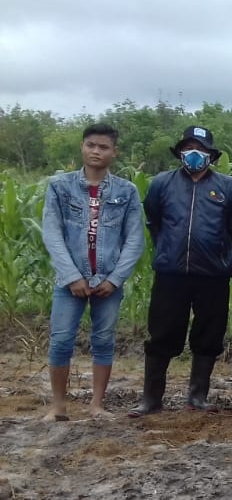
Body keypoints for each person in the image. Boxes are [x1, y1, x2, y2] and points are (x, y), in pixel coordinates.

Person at [132, 126, 232, 417]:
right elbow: (154, 221)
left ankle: (197, 397)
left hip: (213, 275)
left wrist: (214, 249)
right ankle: (151, 399)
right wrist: (168, 249)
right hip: (171, 273)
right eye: (189, 148)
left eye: (201, 149)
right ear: (180, 152)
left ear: (211, 155)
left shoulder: (228, 187)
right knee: (162, 334)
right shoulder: (161, 183)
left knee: (209, 335)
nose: (194, 154)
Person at [41, 123, 145, 420]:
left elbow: (135, 239)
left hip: (108, 281)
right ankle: (58, 406)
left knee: (103, 340)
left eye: (103, 147)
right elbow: (52, 233)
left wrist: (115, 279)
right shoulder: (60, 187)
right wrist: (72, 276)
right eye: (91, 145)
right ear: (82, 147)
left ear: (114, 152)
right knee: (61, 340)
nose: (96, 151)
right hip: (68, 282)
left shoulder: (127, 191)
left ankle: (97, 405)